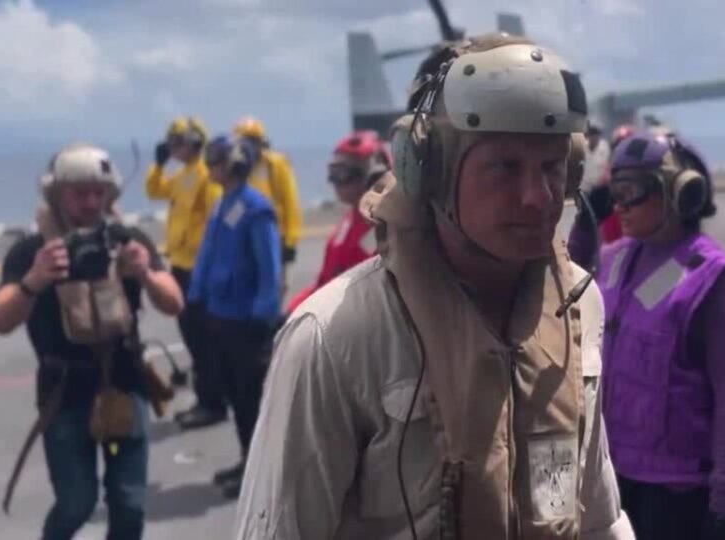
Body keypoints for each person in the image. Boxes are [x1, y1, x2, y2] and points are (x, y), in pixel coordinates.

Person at [235, 34, 634, 539]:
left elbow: (598, 516)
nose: (538, 196)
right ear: (428, 171)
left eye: (553, 167)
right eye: (505, 167)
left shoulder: (578, 303)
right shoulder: (335, 337)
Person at [568, 130, 725, 539]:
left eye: (633, 191)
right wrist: (585, 222)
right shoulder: (616, 258)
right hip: (613, 478)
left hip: (676, 491)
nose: (620, 204)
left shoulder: (714, 281)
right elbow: (566, 290)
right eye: (615, 191)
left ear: (679, 192)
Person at [0, 144, 183, 539]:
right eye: (79, 193)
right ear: (56, 194)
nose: (91, 202)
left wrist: (145, 274)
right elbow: (1, 321)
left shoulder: (126, 241)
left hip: (124, 382)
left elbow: (174, 303)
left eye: (99, 192)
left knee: (129, 505)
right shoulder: (33, 251)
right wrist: (34, 281)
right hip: (64, 394)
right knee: (76, 503)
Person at [188, 135, 282, 499]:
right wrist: (197, 297)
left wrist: (263, 314)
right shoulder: (224, 203)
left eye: (215, 159)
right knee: (235, 397)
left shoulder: (255, 208)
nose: (209, 165)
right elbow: (209, 254)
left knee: (250, 399)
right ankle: (248, 460)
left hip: (244, 322)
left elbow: (269, 267)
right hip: (219, 315)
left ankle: (261, 474)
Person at [145, 116, 227, 431]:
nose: (172, 147)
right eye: (170, 142)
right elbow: (155, 191)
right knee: (193, 336)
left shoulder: (205, 175)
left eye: (177, 142)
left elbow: (215, 220)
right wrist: (158, 166)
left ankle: (212, 403)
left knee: (202, 338)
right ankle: (208, 399)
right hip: (180, 264)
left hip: (198, 268)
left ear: (194, 141)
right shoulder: (181, 176)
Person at [285, 130, 392, 313]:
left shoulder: (385, 227)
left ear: (373, 175)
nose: (335, 181)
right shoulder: (347, 224)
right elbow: (324, 282)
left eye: (342, 172)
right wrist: (294, 308)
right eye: (334, 172)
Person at [232, 117, 303, 298]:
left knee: (275, 291)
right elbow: (235, 203)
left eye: (251, 141)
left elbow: (290, 203)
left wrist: (291, 242)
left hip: (275, 239)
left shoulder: (275, 165)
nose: (247, 147)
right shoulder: (238, 170)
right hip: (245, 241)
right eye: (242, 143)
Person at [582, 122, 610, 193]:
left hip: (598, 188)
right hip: (583, 187)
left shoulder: (604, 147)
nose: (594, 138)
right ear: (588, 136)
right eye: (592, 136)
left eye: (597, 136)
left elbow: (606, 166)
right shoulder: (582, 147)